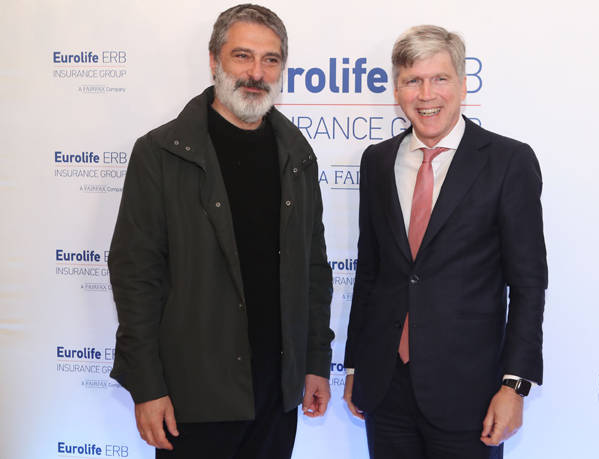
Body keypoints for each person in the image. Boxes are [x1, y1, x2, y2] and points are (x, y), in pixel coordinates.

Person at [108, 4, 334, 458]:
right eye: (242, 56)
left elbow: (313, 269)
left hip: (276, 397)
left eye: (270, 60)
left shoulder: (297, 155)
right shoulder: (161, 154)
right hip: (193, 398)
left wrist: (315, 362)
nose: (257, 73)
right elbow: (135, 278)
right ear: (214, 61)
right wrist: (147, 386)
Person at [343, 25, 547, 459]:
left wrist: (514, 385)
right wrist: (355, 364)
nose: (426, 94)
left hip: (469, 394)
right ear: (396, 90)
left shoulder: (508, 161)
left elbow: (528, 285)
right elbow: (371, 271)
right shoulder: (377, 161)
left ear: (463, 84)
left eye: (439, 79)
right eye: (412, 80)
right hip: (385, 388)